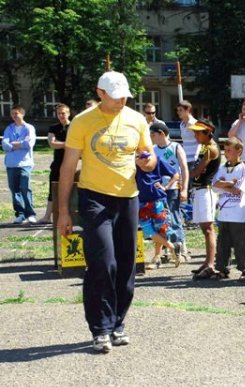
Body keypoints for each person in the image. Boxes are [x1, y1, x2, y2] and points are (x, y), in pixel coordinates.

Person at [57, 71, 156, 353]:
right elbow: (67, 168)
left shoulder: (136, 119)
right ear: (100, 93)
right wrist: (63, 211)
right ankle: (100, 328)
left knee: (126, 264)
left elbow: (149, 159)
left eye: (125, 95)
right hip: (94, 198)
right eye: (115, 96)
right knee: (103, 263)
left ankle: (117, 324)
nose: (122, 100)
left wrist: (147, 162)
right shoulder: (82, 121)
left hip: (128, 198)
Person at [212, 138, 245, 282]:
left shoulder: (243, 169)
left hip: (237, 213)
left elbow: (238, 190)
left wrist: (224, 185)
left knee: (239, 243)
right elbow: (214, 185)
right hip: (223, 213)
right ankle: (223, 269)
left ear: (239, 151)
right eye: (225, 150)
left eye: (229, 150)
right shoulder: (222, 167)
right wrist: (229, 183)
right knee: (222, 243)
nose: (226, 153)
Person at [135, 150, 180, 271]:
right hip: (142, 202)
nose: (145, 159)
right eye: (142, 157)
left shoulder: (158, 160)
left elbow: (175, 174)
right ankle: (171, 246)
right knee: (148, 230)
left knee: (160, 229)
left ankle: (156, 258)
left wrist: (165, 187)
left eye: (147, 156)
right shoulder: (134, 164)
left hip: (158, 200)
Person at [150, 122, 189, 262]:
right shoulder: (153, 149)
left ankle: (181, 249)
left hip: (173, 188)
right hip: (159, 190)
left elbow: (184, 168)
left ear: (161, 133)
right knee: (162, 220)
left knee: (174, 217)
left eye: (153, 134)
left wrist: (184, 188)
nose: (151, 137)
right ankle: (168, 249)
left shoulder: (176, 147)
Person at [188, 119, 221, 279]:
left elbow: (198, 170)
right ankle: (207, 261)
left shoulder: (211, 149)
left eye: (198, 132)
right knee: (204, 229)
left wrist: (184, 174)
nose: (195, 135)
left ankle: (210, 264)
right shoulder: (204, 147)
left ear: (208, 133)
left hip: (206, 190)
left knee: (208, 229)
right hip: (199, 190)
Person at [2, 104, 37, 224]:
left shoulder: (29, 128)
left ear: (22, 114)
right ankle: (20, 214)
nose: (14, 116)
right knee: (14, 190)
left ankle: (30, 214)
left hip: (24, 163)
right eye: (12, 114)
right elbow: (4, 144)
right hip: (11, 164)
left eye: (16, 113)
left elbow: (29, 144)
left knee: (25, 188)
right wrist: (17, 145)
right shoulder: (9, 128)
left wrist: (16, 144)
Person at [39, 103, 71, 224]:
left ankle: (71, 215)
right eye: (59, 113)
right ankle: (47, 216)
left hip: (71, 163)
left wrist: (60, 143)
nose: (61, 115)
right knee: (52, 189)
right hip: (57, 164)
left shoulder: (74, 126)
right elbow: (52, 144)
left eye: (63, 113)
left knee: (71, 189)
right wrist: (67, 144)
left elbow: (77, 145)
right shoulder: (53, 127)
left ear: (68, 113)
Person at [176, 100, 199, 189]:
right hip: (184, 158)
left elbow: (201, 140)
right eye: (177, 110)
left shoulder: (194, 123)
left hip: (194, 158)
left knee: (191, 184)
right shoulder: (182, 124)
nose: (178, 112)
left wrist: (193, 129)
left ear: (188, 110)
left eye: (180, 110)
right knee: (184, 183)